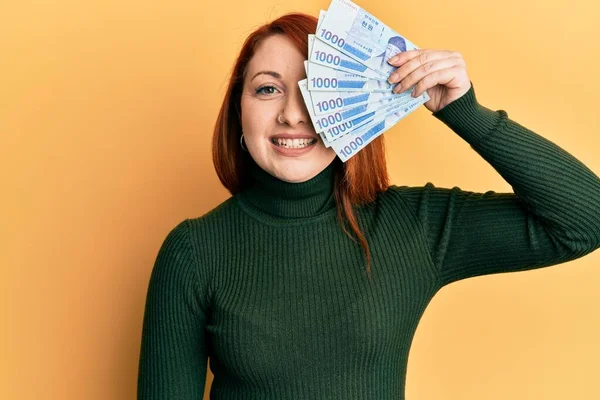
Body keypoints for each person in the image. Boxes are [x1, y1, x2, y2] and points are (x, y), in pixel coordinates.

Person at [136, 13, 600, 400]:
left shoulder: (412, 226)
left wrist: (464, 112)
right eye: (267, 89)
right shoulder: (194, 251)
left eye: (315, 88)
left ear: (351, 103)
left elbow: (584, 220)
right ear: (239, 109)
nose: (294, 114)